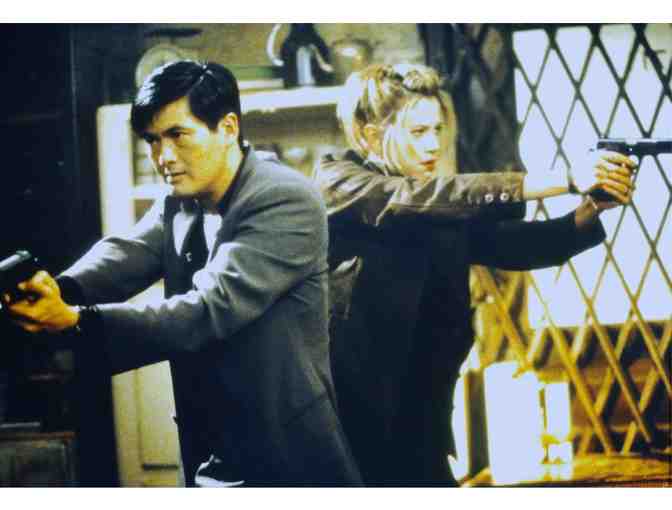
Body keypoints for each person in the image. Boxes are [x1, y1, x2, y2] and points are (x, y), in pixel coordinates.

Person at [3, 61, 362, 487]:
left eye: (178, 135)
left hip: (287, 456)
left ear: (228, 128)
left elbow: (208, 310)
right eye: (153, 140)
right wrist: (58, 289)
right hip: (209, 450)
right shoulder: (182, 199)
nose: (163, 157)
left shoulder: (284, 197)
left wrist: (75, 321)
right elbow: (127, 254)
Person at [313, 63, 636, 486]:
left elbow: (514, 244)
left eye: (437, 129)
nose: (433, 144)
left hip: (422, 425)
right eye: (417, 132)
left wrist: (592, 208)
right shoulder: (339, 181)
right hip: (348, 427)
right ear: (371, 137)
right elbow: (411, 199)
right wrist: (564, 179)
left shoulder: (437, 203)